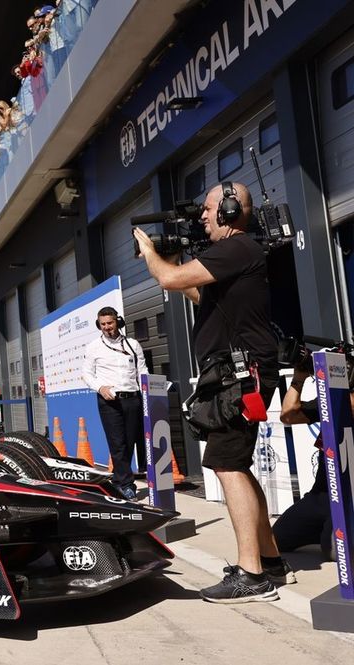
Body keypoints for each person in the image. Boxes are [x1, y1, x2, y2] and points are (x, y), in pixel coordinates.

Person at [134, 181, 289, 603]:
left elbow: (169, 279)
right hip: (238, 374)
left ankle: (251, 576)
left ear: (230, 210)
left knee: (225, 462)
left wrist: (150, 254)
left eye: (208, 209)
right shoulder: (234, 256)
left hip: (241, 376)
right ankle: (269, 561)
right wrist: (168, 265)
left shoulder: (237, 248)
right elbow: (196, 290)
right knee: (236, 462)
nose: (202, 216)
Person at [273, 345, 354, 563]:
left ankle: (333, 534)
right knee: (276, 540)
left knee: (336, 553)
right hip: (322, 496)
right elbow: (288, 416)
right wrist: (299, 377)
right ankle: (325, 531)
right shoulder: (333, 403)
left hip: (349, 497)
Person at [81, 307, 147, 501]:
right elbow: (86, 374)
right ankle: (127, 485)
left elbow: (142, 371)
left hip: (132, 399)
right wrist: (100, 387)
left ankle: (119, 481)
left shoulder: (133, 345)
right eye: (103, 324)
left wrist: (148, 393)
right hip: (109, 402)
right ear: (98, 325)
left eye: (110, 323)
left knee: (130, 442)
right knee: (117, 444)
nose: (107, 327)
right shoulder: (93, 347)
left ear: (117, 322)